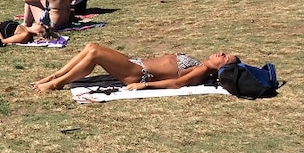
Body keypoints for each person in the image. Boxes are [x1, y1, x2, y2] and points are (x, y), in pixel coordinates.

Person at [32, 44, 240, 92]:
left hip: (138, 74)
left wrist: (145, 86)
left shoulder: (202, 71)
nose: (220, 53)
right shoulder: (201, 65)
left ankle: (56, 83)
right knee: (90, 48)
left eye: (225, 57)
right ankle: (56, 76)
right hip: (136, 65)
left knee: (95, 52)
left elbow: (177, 83)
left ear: (222, 67)